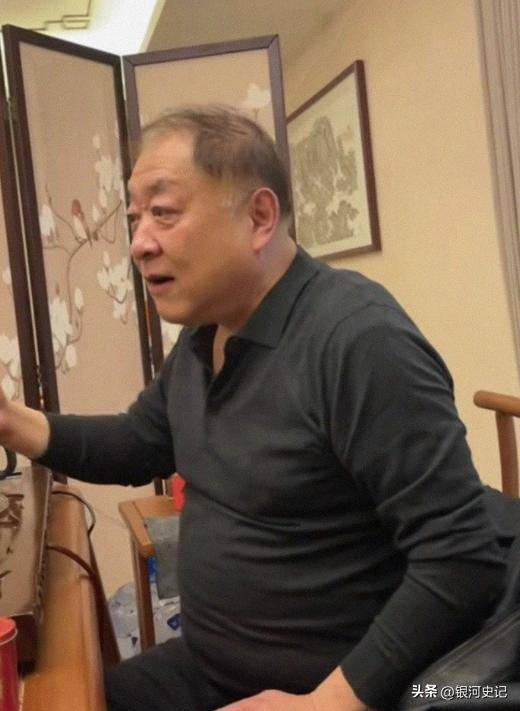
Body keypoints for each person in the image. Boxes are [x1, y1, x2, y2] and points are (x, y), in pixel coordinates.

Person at [0, 105, 505, 711]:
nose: (139, 244)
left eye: (163, 212)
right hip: (209, 665)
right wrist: (10, 421)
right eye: (135, 219)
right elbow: (140, 441)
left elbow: (460, 558)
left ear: (259, 217)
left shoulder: (359, 339)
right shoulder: (207, 332)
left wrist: (327, 703)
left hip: (332, 689)